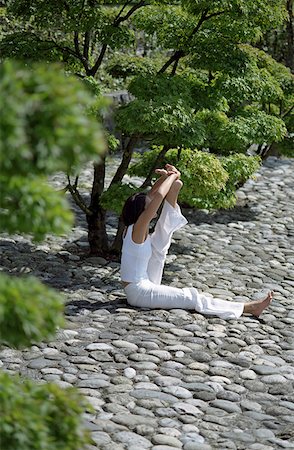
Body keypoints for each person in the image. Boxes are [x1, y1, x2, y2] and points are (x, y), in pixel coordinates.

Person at [120, 164, 273, 319]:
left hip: (145, 281)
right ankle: (249, 308)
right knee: (190, 297)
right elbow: (158, 196)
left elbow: (152, 195)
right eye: (148, 207)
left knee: (160, 243)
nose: (152, 208)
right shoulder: (139, 227)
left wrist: (165, 177)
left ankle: (173, 194)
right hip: (139, 292)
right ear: (142, 212)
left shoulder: (133, 227)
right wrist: (174, 176)